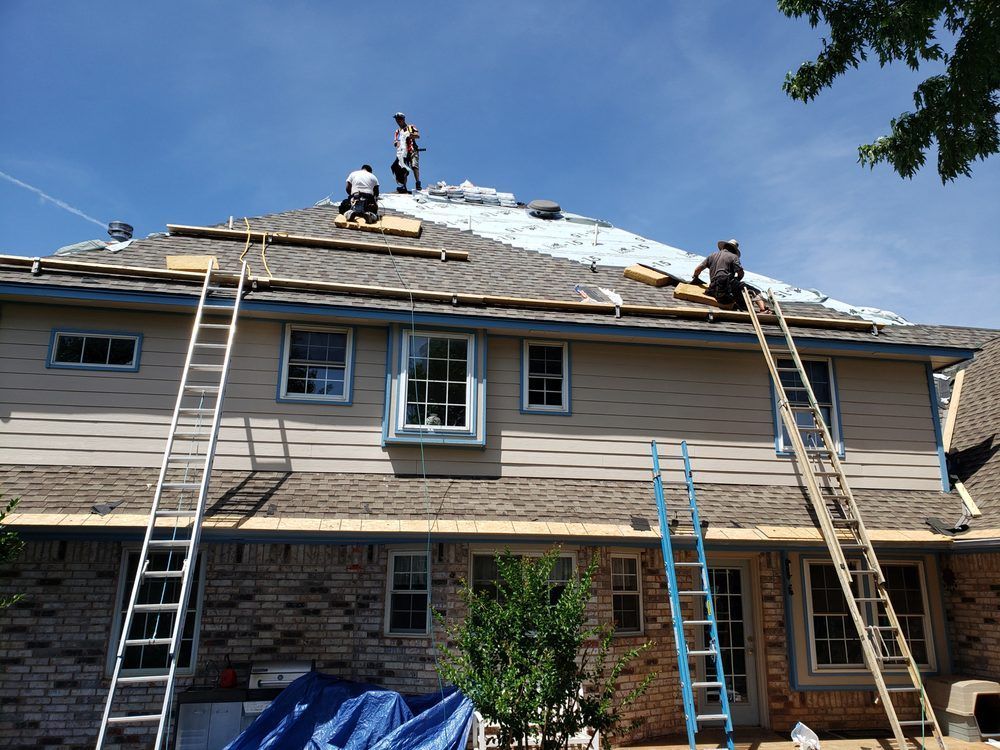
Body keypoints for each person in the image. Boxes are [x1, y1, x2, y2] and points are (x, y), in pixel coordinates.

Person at [690, 239, 771, 313]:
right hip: (726, 287)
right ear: (734, 250)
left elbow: (697, 270)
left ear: (724, 246)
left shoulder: (712, 255)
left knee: (736, 293)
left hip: (713, 289)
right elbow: (740, 272)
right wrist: (738, 279)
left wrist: (695, 278)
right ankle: (763, 309)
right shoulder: (733, 257)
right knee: (754, 291)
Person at [392, 112, 421, 193]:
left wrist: (408, 136)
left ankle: (418, 183)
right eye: (397, 119)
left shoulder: (410, 127)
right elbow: (395, 142)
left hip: (412, 149)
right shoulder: (397, 131)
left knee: (414, 165)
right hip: (403, 152)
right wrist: (397, 143)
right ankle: (404, 186)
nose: (398, 121)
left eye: (400, 119)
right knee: (402, 168)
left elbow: (417, 135)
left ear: (403, 119)